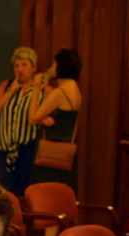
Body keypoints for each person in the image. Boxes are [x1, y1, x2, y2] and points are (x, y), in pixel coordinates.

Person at [0, 47, 42, 195]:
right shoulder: (6, 85)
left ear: (34, 67)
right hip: (4, 150)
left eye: (24, 65)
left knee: (27, 193)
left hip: (28, 149)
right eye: (16, 65)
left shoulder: (41, 89)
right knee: (5, 193)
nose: (20, 69)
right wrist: (10, 92)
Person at [29, 49, 83, 189]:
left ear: (61, 66)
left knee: (47, 194)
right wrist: (45, 118)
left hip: (51, 158)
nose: (52, 68)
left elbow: (32, 118)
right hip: (64, 155)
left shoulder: (60, 92)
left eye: (54, 64)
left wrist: (36, 89)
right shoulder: (74, 89)